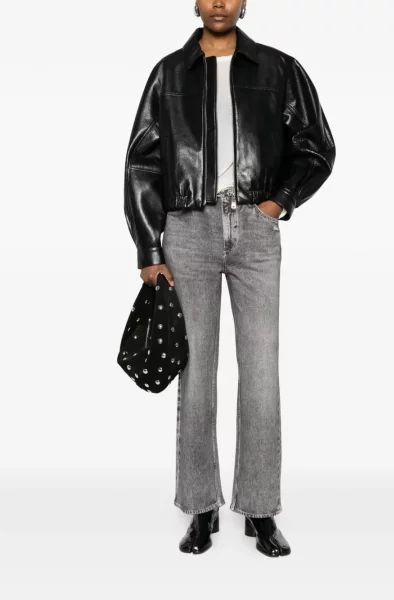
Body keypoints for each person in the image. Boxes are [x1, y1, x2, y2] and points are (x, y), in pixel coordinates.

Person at [123, 1, 336, 558]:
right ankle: (201, 507)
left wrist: (277, 202)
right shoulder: (169, 73)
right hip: (186, 231)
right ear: (195, 3)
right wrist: (150, 246)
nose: (219, 1)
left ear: (245, 3)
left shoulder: (279, 69)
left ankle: (260, 508)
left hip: (255, 231)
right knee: (195, 374)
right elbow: (142, 163)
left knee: (261, 372)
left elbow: (317, 147)